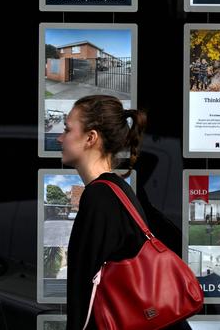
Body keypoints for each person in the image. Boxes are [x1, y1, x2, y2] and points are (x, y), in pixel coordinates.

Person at [61, 95, 191, 330]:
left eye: (68, 129)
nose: (61, 137)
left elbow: (83, 290)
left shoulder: (99, 197)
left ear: (91, 138)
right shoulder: (117, 189)